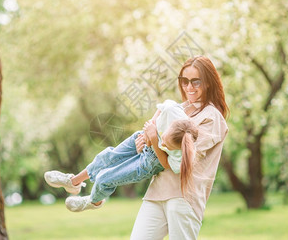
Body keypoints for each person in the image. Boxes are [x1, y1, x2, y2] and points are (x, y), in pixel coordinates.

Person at [130, 55, 229, 240]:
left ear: (208, 83)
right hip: (156, 191)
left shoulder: (212, 117)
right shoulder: (176, 109)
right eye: (184, 81)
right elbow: (156, 142)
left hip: (184, 198)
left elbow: (181, 162)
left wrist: (154, 138)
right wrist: (144, 142)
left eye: (195, 81)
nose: (189, 87)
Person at [44, 99, 199, 212]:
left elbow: (165, 164)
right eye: (163, 139)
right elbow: (163, 106)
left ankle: (94, 201)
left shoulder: (184, 154)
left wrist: (154, 140)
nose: (163, 144)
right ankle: (73, 182)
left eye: (167, 146)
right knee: (107, 157)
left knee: (105, 178)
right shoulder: (173, 112)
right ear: (170, 125)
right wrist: (148, 133)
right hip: (143, 138)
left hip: (150, 162)